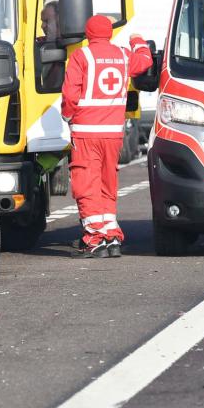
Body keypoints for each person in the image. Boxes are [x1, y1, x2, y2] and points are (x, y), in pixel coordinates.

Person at [61, 15, 153, 257]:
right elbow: (144, 61)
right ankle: (111, 235)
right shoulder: (123, 55)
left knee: (85, 183)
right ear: (110, 33)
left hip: (86, 132)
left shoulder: (81, 57)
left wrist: (68, 116)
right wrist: (137, 39)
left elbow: (70, 95)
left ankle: (94, 238)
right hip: (113, 134)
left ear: (88, 34)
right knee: (106, 182)